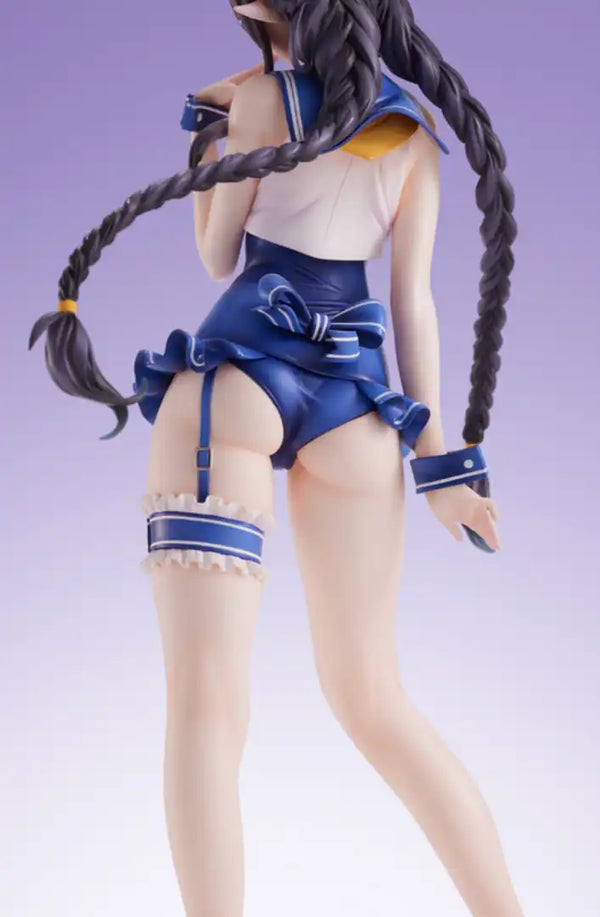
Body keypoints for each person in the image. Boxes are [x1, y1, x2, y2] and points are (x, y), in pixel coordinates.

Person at [29, 1, 522, 915]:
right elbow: (413, 304)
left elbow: (218, 256)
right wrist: (441, 460)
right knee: (375, 698)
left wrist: (213, 135)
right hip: (356, 402)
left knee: (206, 697)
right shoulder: (413, 132)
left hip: (236, 380)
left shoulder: (260, 101)